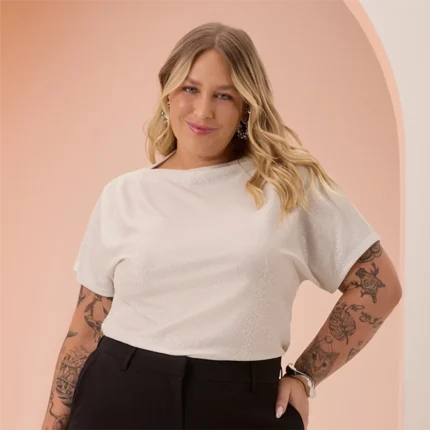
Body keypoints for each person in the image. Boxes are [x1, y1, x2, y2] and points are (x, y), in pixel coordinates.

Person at [41, 22, 402, 430]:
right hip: (119, 396)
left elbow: (380, 286)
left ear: (247, 105)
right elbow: (85, 329)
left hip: (243, 405)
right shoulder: (123, 195)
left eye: (224, 95)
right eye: (190, 89)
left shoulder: (289, 187)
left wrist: (305, 375)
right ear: (168, 93)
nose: (203, 111)